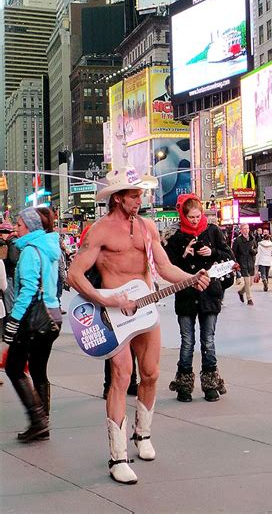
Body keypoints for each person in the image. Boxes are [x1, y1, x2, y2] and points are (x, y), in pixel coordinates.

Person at [68, 167, 209, 484]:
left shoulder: (148, 228)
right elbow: (74, 275)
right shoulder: (99, 231)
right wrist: (107, 300)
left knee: (152, 373)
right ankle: (117, 456)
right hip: (114, 316)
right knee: (121, 376)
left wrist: (192, 278)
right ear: (118, 198)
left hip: (145, 312)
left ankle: (142, 435)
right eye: (134, 195)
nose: (140, 199)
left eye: (140, 193)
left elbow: (165, 267)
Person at [165, 194, 233, 402]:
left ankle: (211, 384)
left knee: (208, 340)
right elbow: (167, 265)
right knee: (187, 341)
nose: (195, 220)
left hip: (209, 294)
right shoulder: (175, 236)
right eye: (191, 217)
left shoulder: (212, 231)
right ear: (184, 216)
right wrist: (184, 254)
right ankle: (184, 385)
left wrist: (211, 252)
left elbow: (229, 257)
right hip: (186, 294)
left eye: (197, 216)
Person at [4, 207, 62, 442]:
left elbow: (27, 290)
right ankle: (43, 422)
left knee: (14, 368)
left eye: (18, 224)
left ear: (28, 226)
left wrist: (14, 320)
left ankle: (38, 421)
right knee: (38, 369)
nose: (16, 228)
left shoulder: (29, 251)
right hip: (53, 316)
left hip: (34, 318)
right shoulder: (49, 248)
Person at [232, 224, 258, 306]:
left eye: (247, 228)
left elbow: (256, 249)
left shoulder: (252, 239)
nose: (246, 230)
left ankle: (241, 292)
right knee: (247, 282)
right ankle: (249, 299)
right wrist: (235, 262)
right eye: (244, 228)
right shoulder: (238, 240)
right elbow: (234, 252)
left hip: (251, 262)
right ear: (241, 230)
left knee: (250, 283)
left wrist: (253, 251)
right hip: (242, 262)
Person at [0, 221, 19, 318]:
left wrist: (3, 260)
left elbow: (12, 259)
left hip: (10, 276)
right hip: (10, 275)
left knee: (9, 302)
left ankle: (11, 319)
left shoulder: (12, 242)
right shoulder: (10, 242)